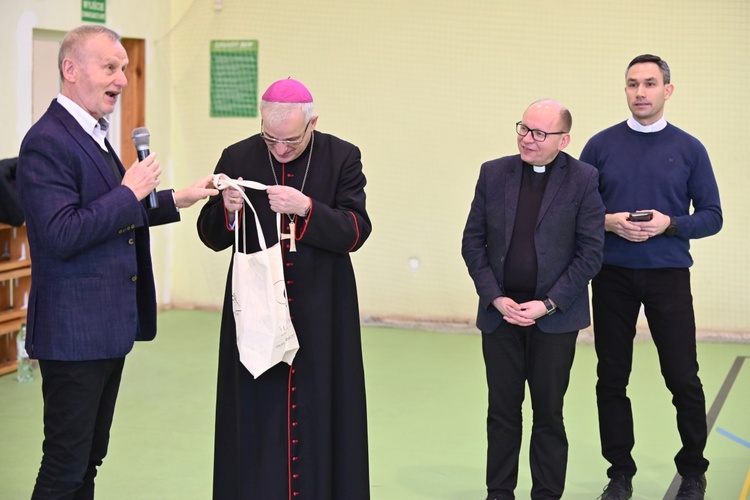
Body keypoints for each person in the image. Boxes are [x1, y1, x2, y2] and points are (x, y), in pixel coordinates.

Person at [16, 24, 218, 499]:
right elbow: (61, 233)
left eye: (124, 68)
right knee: (65, 466)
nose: (122, 79)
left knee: (89, 461)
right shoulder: (47, 141)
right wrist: (130, 191)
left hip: (105, 329)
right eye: (110, 67)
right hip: (72, 334)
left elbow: (116, 212)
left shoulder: (92, 134)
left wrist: (181, 197)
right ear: (71, 69)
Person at [196, 77, 372, 499]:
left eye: (290, 141)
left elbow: (356, 231)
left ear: (313, 124)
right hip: (256, 311)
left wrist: (307, 208)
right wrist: (227, 211)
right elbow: (209, 235)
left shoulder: (342, 156)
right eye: (270, 138)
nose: (279, 150)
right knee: (258, 414)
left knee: (320, 412)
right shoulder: (237, 156)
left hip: (321, 310)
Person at [580, 54, 722, 500]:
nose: (640, 92)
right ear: (625, 90)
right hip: (612, 276)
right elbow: (575, 212)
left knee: (683, 376)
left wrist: (671, 224)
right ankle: (619, 473)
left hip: (668, 276)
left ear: (667, 90)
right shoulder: (600, 146)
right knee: (611, 377)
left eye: (649, 83)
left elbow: (713, 217)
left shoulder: (690, 148)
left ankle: (693, 471)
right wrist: (608, 222)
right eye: (632, 84)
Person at [461, 99, 605, 500]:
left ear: (564, 139)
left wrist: (549, 303)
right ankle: (499, 492)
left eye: (540, 133)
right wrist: (494, 297)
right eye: (524, 129)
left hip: (554, 319)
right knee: (502, 412)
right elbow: (473, 242)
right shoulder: (493, 173)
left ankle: (546, 492)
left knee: (548, 413)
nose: (528, 139)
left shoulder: (583, 178)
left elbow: (590, 252)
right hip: (500, 316)